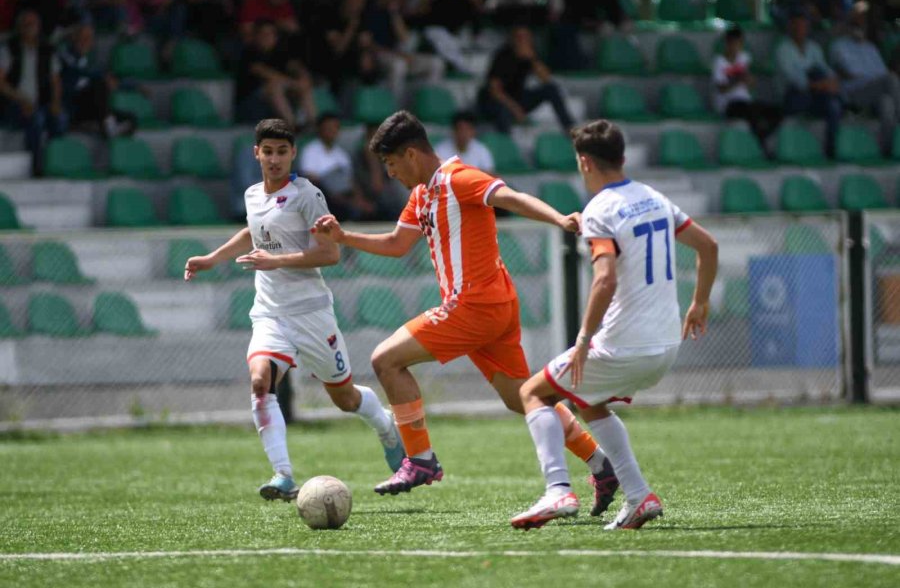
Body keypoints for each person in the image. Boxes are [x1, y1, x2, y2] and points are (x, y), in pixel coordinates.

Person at [313, 111, 621, 517]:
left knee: (385, 360)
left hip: (474, 305)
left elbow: (509, 196)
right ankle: (601, 463)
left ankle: (420, 457)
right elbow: (395, 244)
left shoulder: (458, 178)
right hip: (493, 304)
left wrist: (559, 219)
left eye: (390, 164)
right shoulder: (422, 195)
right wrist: (343, 236)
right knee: (522, 398)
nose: (389, 174)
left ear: (410, 154)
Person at [510, 119, 718, 531]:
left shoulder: (600, 210)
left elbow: (605, 279)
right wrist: (700, 302)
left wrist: (585, 337)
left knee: (533, 393)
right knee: (588, 400)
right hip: (666, 344)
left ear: (585, 162)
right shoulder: (654, 197)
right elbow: (708, 246)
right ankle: (638, 496)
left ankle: (558, 490)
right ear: (622, 157)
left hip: (624, 344)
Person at [184, 118, 405, 502]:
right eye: (267, 152)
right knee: (259, 382)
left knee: (345, 399)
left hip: (312, 313)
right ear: (256, 153)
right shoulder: (254, 195)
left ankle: (386, 427)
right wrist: (212, 258)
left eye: (282, 152)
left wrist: (277, 260)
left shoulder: (307, 195)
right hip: (270, 313)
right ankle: (283, 475)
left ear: (293, 154)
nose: (274, 159)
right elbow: (252, 231)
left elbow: (330, 253)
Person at [0, 9, 66, 174]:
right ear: (19, 27)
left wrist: (56, 103)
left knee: (60, 119)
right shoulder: (9, 48)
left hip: (41, 103)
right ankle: (37, 167)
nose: (29, 27)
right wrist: (21, 99)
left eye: (33, 23)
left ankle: (56, 162)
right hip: (12, 104)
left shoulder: (47, 49)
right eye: (26, 23)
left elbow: (55, 81)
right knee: (36, 119)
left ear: (39, 27)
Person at [829, 1, 900, 154]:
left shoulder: (871, 48)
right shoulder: (839, 46)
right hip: (854, 93)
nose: (860, 27)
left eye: (862, 23)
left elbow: (881, 72)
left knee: (887, 104)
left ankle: (887, 149)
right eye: (856, 22)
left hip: (875, 90)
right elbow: (848, 74)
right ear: (849, 24)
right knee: (891, 79)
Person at [477, 26, 574, 134]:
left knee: (551, 89)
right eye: (519, 37)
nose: (522, 41)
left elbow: (546, 79)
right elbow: (495, 91)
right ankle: (506, 143)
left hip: (517, 96)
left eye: (526, 38)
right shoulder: (502, 56)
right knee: (502, 111)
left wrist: (533, 59)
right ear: (512, 39)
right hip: (496, 101)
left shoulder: (530, 54)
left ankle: (569, 127)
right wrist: (516, 109)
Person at [775, 10, 842, 158]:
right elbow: (794, 79)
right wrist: (821, 85)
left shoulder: (814, 47)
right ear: (790, 27)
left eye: (803, 26)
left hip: (814, 95)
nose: (800, 29)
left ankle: (831, 147)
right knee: (817, 78)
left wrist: (832, 82)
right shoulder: (783, 49)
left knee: (833, 103)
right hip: (792, 98)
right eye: (797, 26)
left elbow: (826, 70)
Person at [363, 0, 444, 101]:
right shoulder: (369, 10)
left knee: (436, 63)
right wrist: (398, 54)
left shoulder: (394, 11)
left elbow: (404, 38)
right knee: (399, 65)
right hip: (380, 54)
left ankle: (424, 104)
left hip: (398, 53)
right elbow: (367, 44)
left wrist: (394, 13)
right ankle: (394, 110)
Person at [234, 19, 315, 132]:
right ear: (256, 36)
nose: (267, 37)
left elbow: (295, 66)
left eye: (271, 34)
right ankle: (292, 125)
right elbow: (267, 74)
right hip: (251, 101)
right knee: (274, 86)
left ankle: (313, 123)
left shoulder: (280, 52)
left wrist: (303, 77)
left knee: (303, 85)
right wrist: (294, 83)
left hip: (278, 97)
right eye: (264, 34)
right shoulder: (249, 52)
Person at [58, 22, 135, 137]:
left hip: (93, 106)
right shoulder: (65, 55)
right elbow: (79, 71)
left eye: (89, 38)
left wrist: (136, 86)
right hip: (73, 105)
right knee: (99, 84)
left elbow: (110, 79)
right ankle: (105, 127)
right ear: (74, 38)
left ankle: (101, 127)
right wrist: (103, 77)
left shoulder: (90, 61)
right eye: (83, 38)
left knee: (130, 119)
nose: (85, 42)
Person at [712, 26, 783, 146]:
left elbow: (751, 85)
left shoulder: (744, 58)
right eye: (733, 43)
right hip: (728, 104)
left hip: (745, 102)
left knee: (776, 112)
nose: (736, 47)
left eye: (739, 44)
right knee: (752, 113)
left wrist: (750, 80)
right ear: (727, 43)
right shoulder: (719, 62)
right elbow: (721, 88)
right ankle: (761, 144)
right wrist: (738, 79)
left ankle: (763, 136)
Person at [299, 113, 371, 221]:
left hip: (343, 193)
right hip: (323, 193)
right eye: (328, 128)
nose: (332, 131)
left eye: (335, 128)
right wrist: (332, 190)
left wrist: (359, 199)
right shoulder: (311, 150)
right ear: (320, 129)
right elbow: (309, 176)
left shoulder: (341, 154)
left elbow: (350, 180)